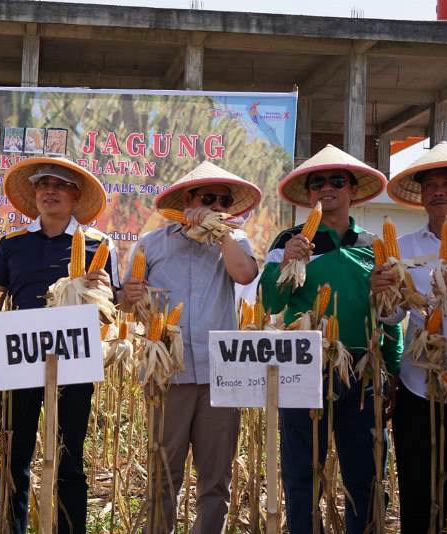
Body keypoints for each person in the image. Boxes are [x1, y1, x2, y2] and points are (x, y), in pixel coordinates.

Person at [0, 157, 119, 534]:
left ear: (76, 195)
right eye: (43, 185)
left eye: (60, 185)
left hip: (74, 356)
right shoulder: (13, 244)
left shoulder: (97, 245)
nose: (50, 191)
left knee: (69, 457)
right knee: (14, 455)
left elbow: (111, 307)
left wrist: (111, 293)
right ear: (34, 194)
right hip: (21, 354)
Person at [259, 144, 403, 534]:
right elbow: (271, 302)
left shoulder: (374, 246)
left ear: (352, 191)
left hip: (361, 371)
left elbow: (390, 314)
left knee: (367, 476)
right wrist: (287, 262)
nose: (327, 188)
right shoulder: (288, 241)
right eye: (317, 183)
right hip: (303, 369)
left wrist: (393, 367)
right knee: (302, 475)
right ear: (308, 195)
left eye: (337, 181)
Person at [120, 160, 260, 533]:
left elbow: (244, 274)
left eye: (224, 202)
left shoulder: (236, 242)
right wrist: (129, 296)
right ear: (188, 200)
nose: (217, 207)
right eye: (208, 199)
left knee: (215, 480)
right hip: (169, 372)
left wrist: (222, 234)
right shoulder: (153, 244)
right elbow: (126, 302)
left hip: (219, 375)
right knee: (163, 474)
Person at [372, 141, 447, 532]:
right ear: (421, 196)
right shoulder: (403, 249)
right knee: (419, 495)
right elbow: (392, 318)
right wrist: (381, 293)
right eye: (431, 185)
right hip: (419, 387)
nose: (438, 191)